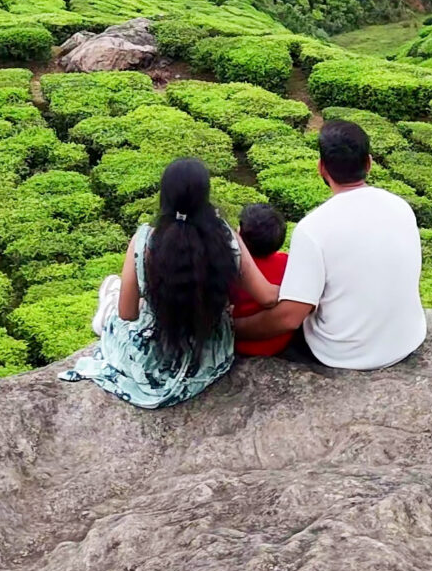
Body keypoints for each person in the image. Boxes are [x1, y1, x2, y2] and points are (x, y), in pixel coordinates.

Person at [61, 155, 280, 408]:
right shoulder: (225, 236)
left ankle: (108, 300)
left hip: (153, 358)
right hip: (209, 357)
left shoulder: (144, 241)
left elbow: (128, 313)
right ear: (205, 197)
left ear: (164, 196)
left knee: (119, 301)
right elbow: (267, 297)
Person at [230, 118, 426, 369]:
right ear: (369, 163)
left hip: (344, 355)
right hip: (407, 338)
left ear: (321, 168)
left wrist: (235, 328)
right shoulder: (401, 206)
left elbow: (289, 318)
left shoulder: (313, 229)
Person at [231, 203, 292, 358]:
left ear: (240, 233)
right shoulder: (288, 263)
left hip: (238, 343)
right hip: (276, 343)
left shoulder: (230, 267)